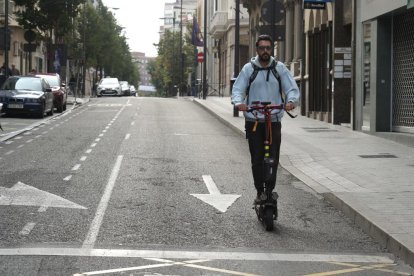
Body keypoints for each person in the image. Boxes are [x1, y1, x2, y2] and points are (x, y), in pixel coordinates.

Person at [231, 34, 300, 203]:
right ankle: (259, 190)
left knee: (273, 158)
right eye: (262, 48)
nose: (265, 51)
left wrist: (291, 101)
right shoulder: (249, 69)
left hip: (274, 120)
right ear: (257, 50)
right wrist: (239, 102)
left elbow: (291, 88)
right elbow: (238, 88)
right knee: (257, 158)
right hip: (254, 121)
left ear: (271, 49)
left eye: (268, 48)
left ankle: (270, 190)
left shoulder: (279, 68)